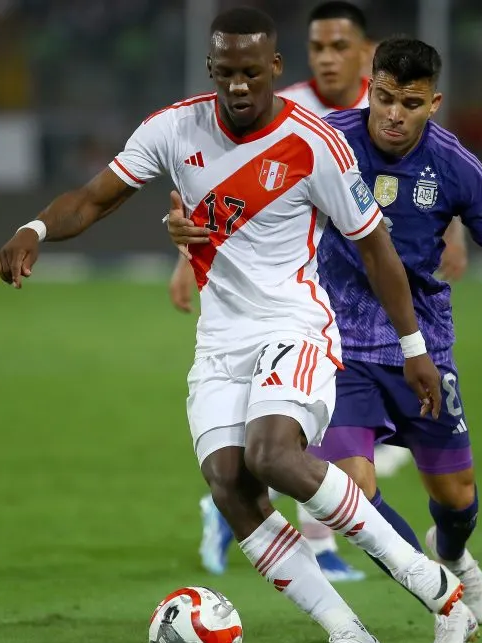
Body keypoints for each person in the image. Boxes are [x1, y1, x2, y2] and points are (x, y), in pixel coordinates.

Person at [0, 8, 474, 643]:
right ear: (211, 71)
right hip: (220, 341)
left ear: (274, 69)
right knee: (229, 482)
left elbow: (377, 250)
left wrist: (414, 348)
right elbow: (95, 198)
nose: (240, 86)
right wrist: (35, 231)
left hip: (295, 326)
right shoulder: (174, 128)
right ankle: (350, 634)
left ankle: (434, 585)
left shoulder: (314, 144)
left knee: (272, 454)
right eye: (227, 73)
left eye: (253, 72)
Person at [168, 36, 482, 635]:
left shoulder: (456, 166)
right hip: (337, 345)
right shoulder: (325, 141)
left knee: (459, 500)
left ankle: (452, 554)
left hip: (423, 347)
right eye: (385, 98)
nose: (393, 114)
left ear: (433, 103)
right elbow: (239, 186)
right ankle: (434, 589)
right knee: (351, 495)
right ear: (372, 88)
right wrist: (190, 232)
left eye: (410, 103)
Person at [182, 2, 467, 584]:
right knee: (307, 443)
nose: (327, 59)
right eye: (318, 48)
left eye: (339, 47)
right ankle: (245, 513)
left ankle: (270, 521)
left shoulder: (389, 106)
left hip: (367, 312)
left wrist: (453, 229)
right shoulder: (283, 108)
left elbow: (427, 177)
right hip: (302, 308)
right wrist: (184, 257)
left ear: (367, 53)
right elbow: (221, 189)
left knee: (308, 442)